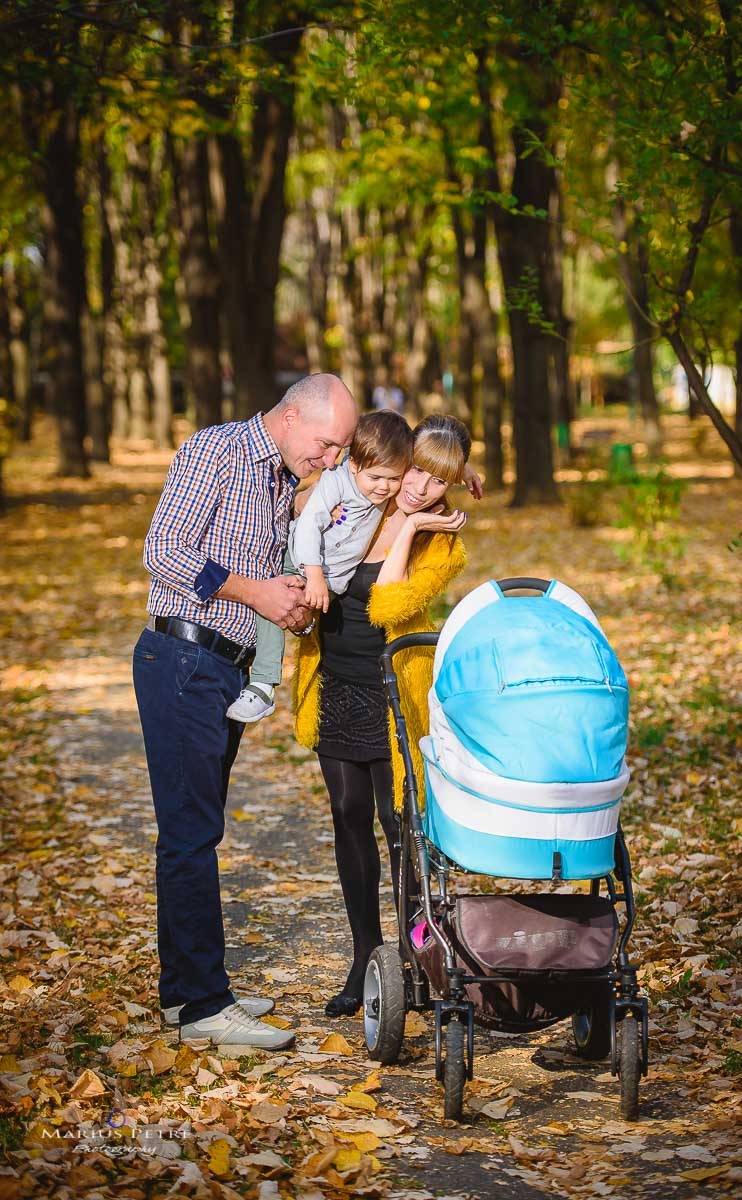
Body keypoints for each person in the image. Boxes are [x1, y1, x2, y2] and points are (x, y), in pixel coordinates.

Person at [132, 373, 358, 1049]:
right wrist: (257, 595)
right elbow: (163, 552)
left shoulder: (278, 482)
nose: (330, 460)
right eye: (326, 444)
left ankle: (183, 996)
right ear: (291, 416)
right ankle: (205, 1007)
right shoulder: (220, 451)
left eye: (339, 450)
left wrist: (284, 600)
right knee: (191, 836)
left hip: (220, 667)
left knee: (194, 831)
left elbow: (257, 581)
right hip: (180, 662)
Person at [293, 414, 477, 1017]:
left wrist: (412, 527)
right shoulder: (359, 494)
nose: (421, 489)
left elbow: (387, 603)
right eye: (417, 473)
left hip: (393, 690)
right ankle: (364, 957)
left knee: (402, 829)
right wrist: (451, 471)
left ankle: (414, 957)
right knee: (348, 819)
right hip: (336, 685)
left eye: (437, 482)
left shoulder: (443, 539)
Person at [225, 410, 414, 724]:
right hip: (301, 561)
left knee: (309, 623)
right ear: (354, 464)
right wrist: (312, 574)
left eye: (393, 479)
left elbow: (430, 452)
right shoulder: (337, 481)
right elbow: (310, 523)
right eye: (375, 477)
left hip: (334, 581)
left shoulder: (390, 482)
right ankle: (263, 684)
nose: (383, 487)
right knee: (276, 606)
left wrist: (464, 471)